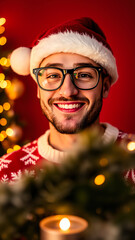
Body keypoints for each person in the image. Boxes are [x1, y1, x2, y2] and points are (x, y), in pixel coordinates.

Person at [0, 17, 134, 183]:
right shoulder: (6, 173)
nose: (68, 91)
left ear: (105, 87)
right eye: (53, 75)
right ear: (38, 89)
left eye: (84, 75)